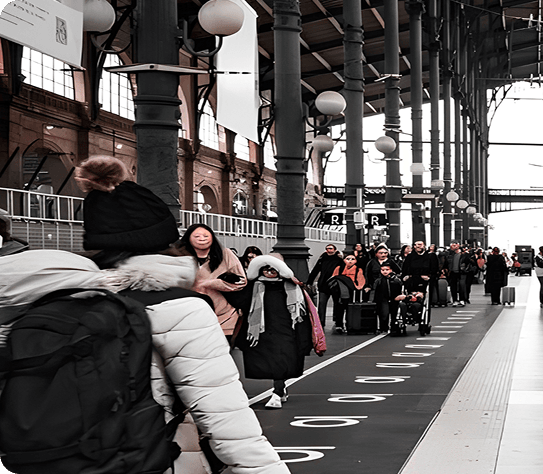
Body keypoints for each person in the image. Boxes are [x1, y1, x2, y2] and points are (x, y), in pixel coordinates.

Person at [0, 156, 289, 473]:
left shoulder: (43, 297)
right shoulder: (179, 308)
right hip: (147, 459)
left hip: (44, 461)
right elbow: (224, 417)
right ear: (166, 242)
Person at [240, 255, 313, 409]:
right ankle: (280, 389)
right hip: (263, 332)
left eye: (274, 268)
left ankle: (277, 392)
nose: (270, 271)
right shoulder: (253, 286)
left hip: (287, 330)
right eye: (266, 268)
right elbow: (241, 304)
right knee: (272, 363)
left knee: (281, 361)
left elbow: (303, 313)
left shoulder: (293, 286)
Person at [177, 223, 247, 340]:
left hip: (224, 317)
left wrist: (213, 283)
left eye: (205, 236)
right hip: (190, 316)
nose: (202, 239)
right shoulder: (180, 258)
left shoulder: (225, 254)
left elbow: (241, 281)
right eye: (197, 236)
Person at [306, 244, 344, 326]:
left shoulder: (339, 260)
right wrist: (309, 281)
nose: (328, 250)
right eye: (327, 249)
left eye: (330, 248)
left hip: (335, 284)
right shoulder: (322, 259)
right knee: (322, 303)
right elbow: (315, 270)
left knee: (337, 303)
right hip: (324, 284)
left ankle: (338, 322)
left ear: (335, 250)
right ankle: (321, 322)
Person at [330, 253, 366, 334]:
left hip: (352, 291)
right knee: (339, 307)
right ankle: (339, 324)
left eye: (352, 259)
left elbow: (360, 281)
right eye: (348, 259)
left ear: (356, 261)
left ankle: (350, 324)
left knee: (350, 308)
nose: (350, 261)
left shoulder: (358, 270)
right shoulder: (339, 268)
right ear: (344, 260)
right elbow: (333, 278)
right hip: (339, 291)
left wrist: (358, 288)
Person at [372, 262, 404, 332]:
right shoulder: (379, 280)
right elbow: (375, 290)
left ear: (391, 270)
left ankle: (393, 327)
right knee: (384, 313)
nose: (385, 271)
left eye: (387, 270)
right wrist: (374, 300)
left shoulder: (396, 279)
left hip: (395, 298)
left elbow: (401, 287)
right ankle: (383, 328)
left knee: (394, 313)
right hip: (383, 299)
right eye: (383, 270)